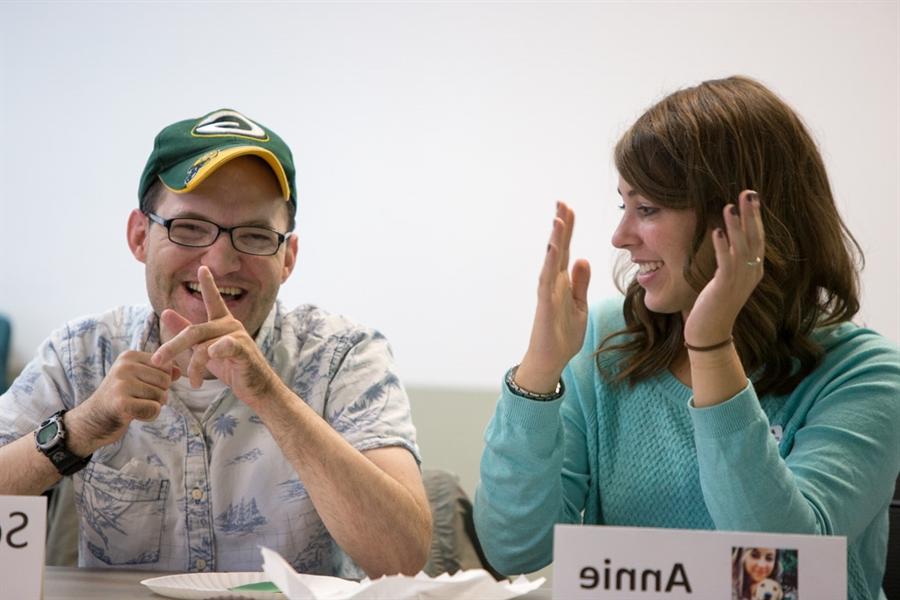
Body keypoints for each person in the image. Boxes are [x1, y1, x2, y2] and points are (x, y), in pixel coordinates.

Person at [473, 76, 900, 600]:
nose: (620, 236)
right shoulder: (608, 340)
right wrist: (539, 373)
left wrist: (711, 347)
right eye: (622, 206)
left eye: (647, 209)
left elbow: (780, 568)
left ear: (740, 219)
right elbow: (513, 549)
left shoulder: (867, 373)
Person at [0, 109, 431, 577]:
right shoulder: (78, 355)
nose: (220, 261)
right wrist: (82, 428)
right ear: (140, 236)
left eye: (255, 235)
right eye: (189, 228)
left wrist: (271, 396)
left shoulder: (343, 355)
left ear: (288, 257)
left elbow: (403, 560)